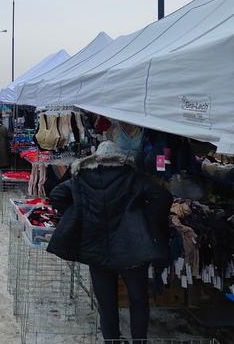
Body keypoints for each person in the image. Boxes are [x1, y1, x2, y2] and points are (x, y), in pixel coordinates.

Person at [47, 141, 172, 342]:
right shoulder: (134, 177)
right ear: (120, 159)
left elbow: (56, 195)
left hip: (96, 249)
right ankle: (139, 341)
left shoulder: (81, 179)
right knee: (138, 300)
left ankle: (111, 340)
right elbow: (164, 197)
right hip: (133, 250)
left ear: (96, 158)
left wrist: (79, 213)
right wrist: (144, 219)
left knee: (106, 304)